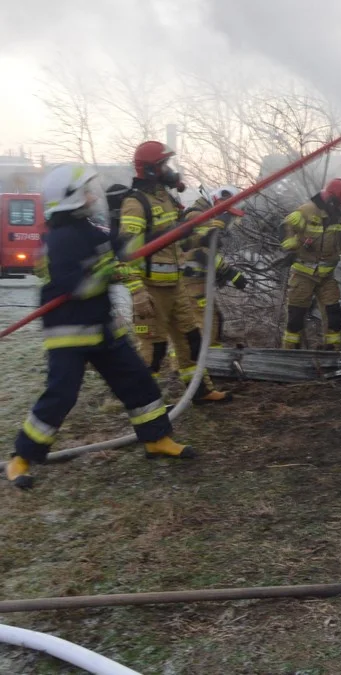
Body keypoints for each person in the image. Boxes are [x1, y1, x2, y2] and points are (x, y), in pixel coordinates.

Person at [8, 165, 197, 489]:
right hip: (69, 334)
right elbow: (77, 286)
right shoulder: (60, 240)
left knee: (138, 382)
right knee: (61, 396)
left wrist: (177, 230)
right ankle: (21, 458)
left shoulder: (87, 229)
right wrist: (106, 271)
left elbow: (124, 247)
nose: (92, 196)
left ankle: (156, 439)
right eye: (86, 191)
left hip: (102, 328)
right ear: (69, 199)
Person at [117, 141, 231, 403]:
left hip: (175, 285)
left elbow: (179, 244)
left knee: (191, 338)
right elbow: (125, 254)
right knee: (153, 349)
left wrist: (203, 236)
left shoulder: (167, 199)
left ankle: (200, 391)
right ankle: (144, 405)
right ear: (150, 169)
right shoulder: (135, 204)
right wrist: (137, 292)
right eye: (163, 165)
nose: (169, 170)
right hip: (150, 289)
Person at [279, 178, 341, 349]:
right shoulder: (306, 211)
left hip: (327, 277)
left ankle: (332, 353)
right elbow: (285, 227)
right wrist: (290, 246)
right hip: (303, 274)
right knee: (296, 317)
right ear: (332, 200)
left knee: (333, 314)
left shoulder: (338, 219)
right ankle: (290, 354)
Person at [180, 185, 249, 348]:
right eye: (229, 215)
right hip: (192, 281)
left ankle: (210, 360)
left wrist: (220, 274)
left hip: (197, 280)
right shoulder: (199, 216)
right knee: (207, 322)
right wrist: (230, 273)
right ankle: (204, 362)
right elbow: (203, 253)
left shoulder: (205, 215)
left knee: (214, 319)